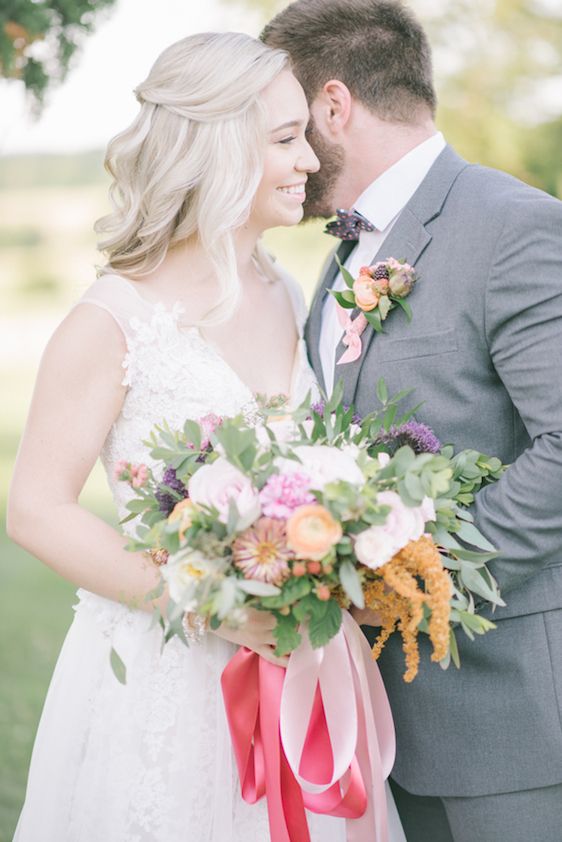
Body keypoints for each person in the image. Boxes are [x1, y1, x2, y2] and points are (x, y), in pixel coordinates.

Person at [7, 31, 357, 842]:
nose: (310, 159)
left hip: (297, 667)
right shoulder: (112, 319)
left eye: (305, 133)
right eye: (285, 138)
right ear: (215, 148)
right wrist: (212, 607)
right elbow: (35, 509)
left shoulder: (286, 288)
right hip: (161, 674)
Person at [262, 1, 562, 841]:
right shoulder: (339, 255)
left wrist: (417, 573)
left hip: (513, 719)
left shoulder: (513, 227)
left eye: (285, 125)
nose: (277, 149)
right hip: (386, 723)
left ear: (331, 106)